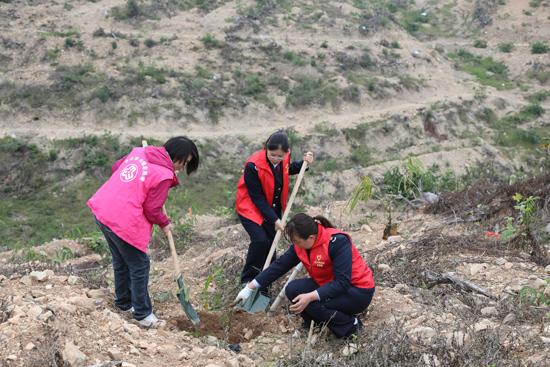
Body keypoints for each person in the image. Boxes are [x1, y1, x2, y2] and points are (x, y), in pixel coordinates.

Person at [87, 136, 199, 328]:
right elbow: (152, 209)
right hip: (123, 219)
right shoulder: (163, 173)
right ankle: (143, 315)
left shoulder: (139, 152)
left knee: (121, 261)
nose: (182, 167)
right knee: (139, 265)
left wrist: (136, 185)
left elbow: (117, 168)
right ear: (176, 155)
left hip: (103, 209)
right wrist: (165, 223)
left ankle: (124, 303)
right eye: (184, 161)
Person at [234, 213, 375, 339]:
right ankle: (317, 324)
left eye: (297, 241)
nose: (295, 245)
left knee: (311, 304)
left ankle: (351, 325)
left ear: (311, 237)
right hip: (329, 285)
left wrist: (311, 296)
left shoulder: (337, 242)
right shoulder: (301, 246)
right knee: (293, 290)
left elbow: (342, 283)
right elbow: (279, 266)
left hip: (357, 291)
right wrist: (251, 287)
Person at [235, 131, 314, 290]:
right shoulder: (253, 166)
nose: (276, 159)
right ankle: (247, 280)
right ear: (266, 149)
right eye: (272, 155)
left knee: (271, 245)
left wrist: (304, 164)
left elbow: (286, 169)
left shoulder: (283, 159)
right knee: (260, 241)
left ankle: (264, 285)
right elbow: (256, 198)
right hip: (250, 207)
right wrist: (275, 220)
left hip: (272, 207)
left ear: (286, 152)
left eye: (280, 156)